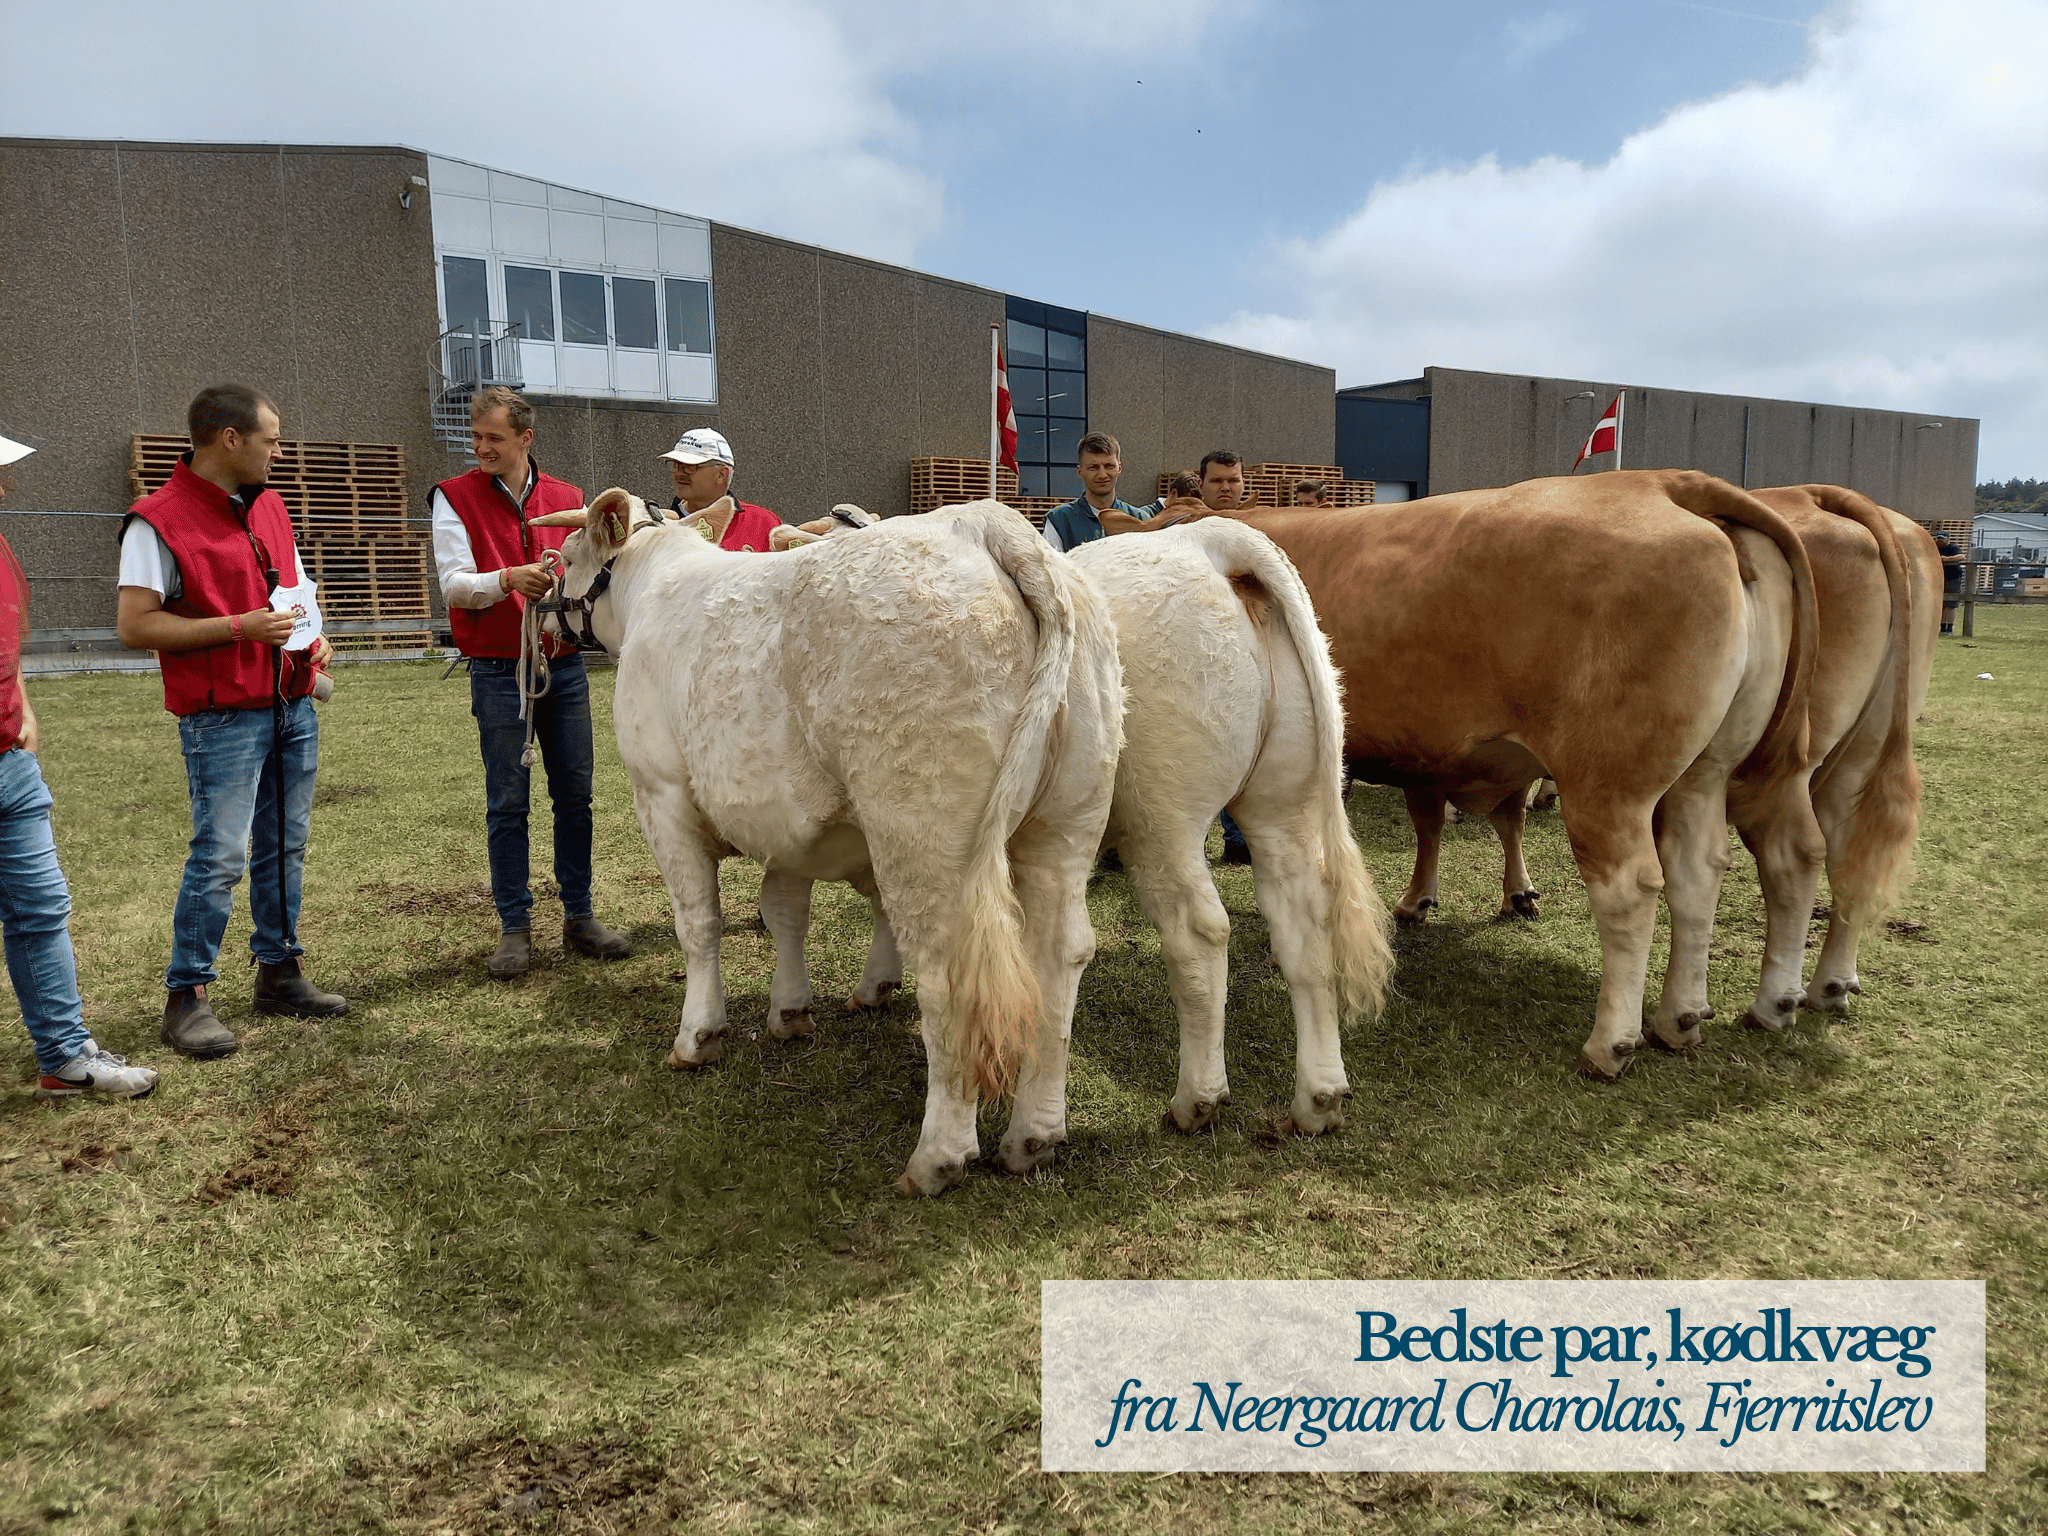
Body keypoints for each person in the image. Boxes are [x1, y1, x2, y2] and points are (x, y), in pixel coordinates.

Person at [116, 386, 346, 1060]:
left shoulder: (269, 505)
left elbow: (293, 589)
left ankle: (280, 973)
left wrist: (313, 638)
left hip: (290, 703)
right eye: (271, 440)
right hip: (221, 718)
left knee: (285, 847)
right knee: (219, 857)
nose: (281, 451)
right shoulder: (154, 521)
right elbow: (135, 625)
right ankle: (186, 997)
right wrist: (238, 628)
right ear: (228, 439)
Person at [431, 386, 632, 979]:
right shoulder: (452, 497)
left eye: (493, 437)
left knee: (575, 794)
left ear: (526, 438)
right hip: (498, 667)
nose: (481, 447)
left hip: (562, 665)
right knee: (508, 801)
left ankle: (579, 915)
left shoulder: (571, 499)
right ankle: (515, 926)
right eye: (476, 436)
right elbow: (453, 584)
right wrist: (505, 580)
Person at [1, 435, 161, 1099]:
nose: (6, 489)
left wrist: (26, 710)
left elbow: (13, 638)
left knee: (41, 910)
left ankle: (66, 1058)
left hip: (10, 765)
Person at [659, 429, 783, 551]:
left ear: (721, 475)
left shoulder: (763, 523)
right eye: (675, 465)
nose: (679, 473)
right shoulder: (658, 525)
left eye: (690, 466)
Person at [1041, 434, 1153, 552]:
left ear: (1119, 468)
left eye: (1109, 466)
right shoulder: (1059, 521)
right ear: (1080, 471)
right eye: (1093, 467)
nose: (1102, 475)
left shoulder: (1141, 520)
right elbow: (1049, 568)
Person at [1936, 531, 1965, 635]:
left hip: (1953, 578)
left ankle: (1950, 628)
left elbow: (1961, 557)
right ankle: (1942, 628)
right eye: (1938, 538)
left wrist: (1946, 559)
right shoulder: (1935, 547)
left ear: (1948, 539)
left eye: (1942, 538)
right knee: (1942, 604)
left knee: (1951, 604)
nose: (1940, 540)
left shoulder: (1953, 547)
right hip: (1939, 578)